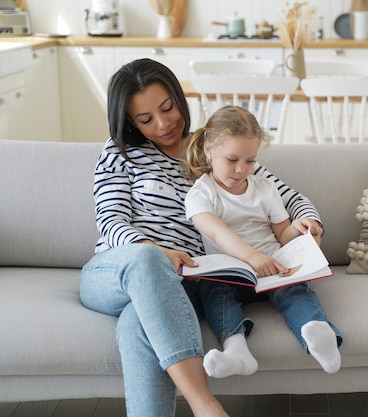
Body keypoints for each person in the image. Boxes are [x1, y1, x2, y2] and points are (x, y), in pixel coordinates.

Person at [78, 58, 325, 417]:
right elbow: (111, 221)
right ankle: (205, 405)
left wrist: (307, 221)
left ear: (179, 98)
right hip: (116, 271)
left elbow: (280, 193)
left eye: (168, 108)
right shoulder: (120, 153)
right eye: (146, 119)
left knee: (139, 321)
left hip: (182, 284)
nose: (163, 124)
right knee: (147, 260)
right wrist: (157, 250)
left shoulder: (213, 148)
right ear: (129, 121)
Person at [183, 105, 342, 379]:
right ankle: (236, 350)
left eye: (250, 161)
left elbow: (281, 233)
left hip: (273, 267)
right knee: (213, 292)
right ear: (209, 150)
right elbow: (219, 233)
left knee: (296, 290)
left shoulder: (265, 189)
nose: (241, 170)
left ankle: (317, 331)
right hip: (231, 274)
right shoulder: (200, 194)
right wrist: (253, 258)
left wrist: (300, 229)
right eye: (232, 160)